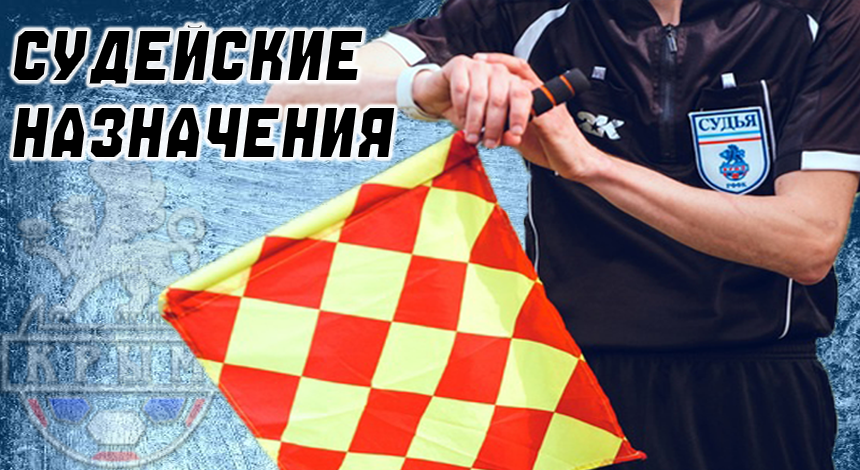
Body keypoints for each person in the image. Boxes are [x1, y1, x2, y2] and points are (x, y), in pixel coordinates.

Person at [266, 0, 860, 468]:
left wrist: (590, 165)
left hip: (759, 387)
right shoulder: (531, 10)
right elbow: (294, 90)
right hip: (573, 385)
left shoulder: (825, 14)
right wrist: (430, 87)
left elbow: (808, 242)